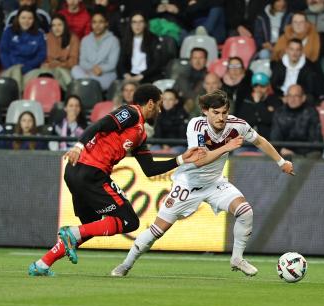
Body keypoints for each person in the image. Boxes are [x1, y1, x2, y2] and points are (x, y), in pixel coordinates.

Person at [110, 89, 295, 278]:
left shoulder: (237, 125)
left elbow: (260, 141)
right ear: (205, 111)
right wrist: (228, 146)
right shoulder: (196, 125)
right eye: (216, 113)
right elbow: (199, 160)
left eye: (224, 112)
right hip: (187, 185)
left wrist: (282, 162)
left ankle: (237, 258)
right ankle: (125, 265)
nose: (221, 117)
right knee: (157, 230)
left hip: (214, 183)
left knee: (245, 211)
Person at [28, 84, 206, 276]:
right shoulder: (131, 113)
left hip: (76, 173)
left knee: (90, 225)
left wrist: (181, 159)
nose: (161, 110)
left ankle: (43, 264)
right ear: (150, 103)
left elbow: (150, 169)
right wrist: (79, 146)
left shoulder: (140, 134)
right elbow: (99, 124)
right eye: (159, 105)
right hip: (90, 171)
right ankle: (70, 234)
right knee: (129, 221)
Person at [24, 13, 79, 90]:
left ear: (65, 26)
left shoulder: (73, 38)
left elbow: (73, 61)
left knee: (58, 77)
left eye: (59, 25)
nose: (56, 28)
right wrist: (44, 64)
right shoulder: (46, 37)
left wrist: (60, 64)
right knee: (31, 77)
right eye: (54, 25)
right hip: (47, 68)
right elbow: (41, 56)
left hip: (64, 69)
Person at [0, 5, 47, 92]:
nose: (26, 21)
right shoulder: (9, 31)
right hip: (11, 68)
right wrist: (11, 67)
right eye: (23, 18)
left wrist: (28, 66)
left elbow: (41, 54)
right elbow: (3, 52)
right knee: (16, 73)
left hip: (31, 70)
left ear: (34, 20)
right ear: (18, 18)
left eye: (30, 18)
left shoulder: (39, 34)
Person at [71, 7, 119, 91]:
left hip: (105, 74)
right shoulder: (85, 40)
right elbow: (82, 61)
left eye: (101, 22)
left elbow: (112, 64)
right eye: (94, 22)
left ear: (106, 23)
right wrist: (92, 68)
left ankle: (87, 83)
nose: (97, 25)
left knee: (90, 82)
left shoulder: (113, 40)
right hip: (88, 72)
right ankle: (89, 83)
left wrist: (100, 69)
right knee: (75, 69)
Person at [270, 84, 322, 157]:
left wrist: (297, 154)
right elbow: (275, 138)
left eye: (296, 96)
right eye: (290, 96)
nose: (292, 99)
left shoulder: (311, 113)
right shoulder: (279, 112)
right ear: (286, 98)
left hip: (306, 153)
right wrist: (281, 149)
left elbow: (315, 140)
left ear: (303, 98)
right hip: (284, 152)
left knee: (315, 154)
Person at [270, 38, 323, 102]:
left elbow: (310, 89)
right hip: (282, 96)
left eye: (297, 50)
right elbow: (274, 84)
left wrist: (296, 98)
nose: (294, 53)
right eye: (291, 49)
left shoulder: (309, 67)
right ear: (287, 50)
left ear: (301, 52)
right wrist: (282, 98)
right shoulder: (279, 65)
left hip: (299, 98)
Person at [118, 12, 163, 84]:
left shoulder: (153, 39)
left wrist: (142, 75)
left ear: (145, 24)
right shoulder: (125, 40)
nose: (137, 25)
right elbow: (121, 62)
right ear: (130, 25)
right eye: (134, 22)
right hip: (130, 76)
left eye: (140, 22)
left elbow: (157, 63)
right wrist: (126, 75)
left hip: (148, 76)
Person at [235, 72, 281, 142]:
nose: (259, 89)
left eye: (262, 86)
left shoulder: (275, 101)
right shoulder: (247, 101)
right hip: (247, 142)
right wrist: (261, 116)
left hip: (266, 142)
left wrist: (258, 103)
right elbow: (242, 124)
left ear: (268, 86)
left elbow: (269, 120)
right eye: (256, 86)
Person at [153, 88, 189, 153]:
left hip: (179, 145)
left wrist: (168, 146)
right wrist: (164, 145)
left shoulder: (183, 115)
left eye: (170, 99)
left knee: (172, 152)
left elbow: (183, 136)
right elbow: (157, 134)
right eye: (164, 99)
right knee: (152, 150)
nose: (167, 102)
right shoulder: (158, 114)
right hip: (160, 144)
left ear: (176, 101)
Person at [172, 47, 208, 114]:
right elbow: (173, 94)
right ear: (191, 60)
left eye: (201, 58)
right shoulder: (181, 77)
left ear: (206, 60)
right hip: (180, 111)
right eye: (195, 58)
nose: (198, 61)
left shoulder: (210, 78)